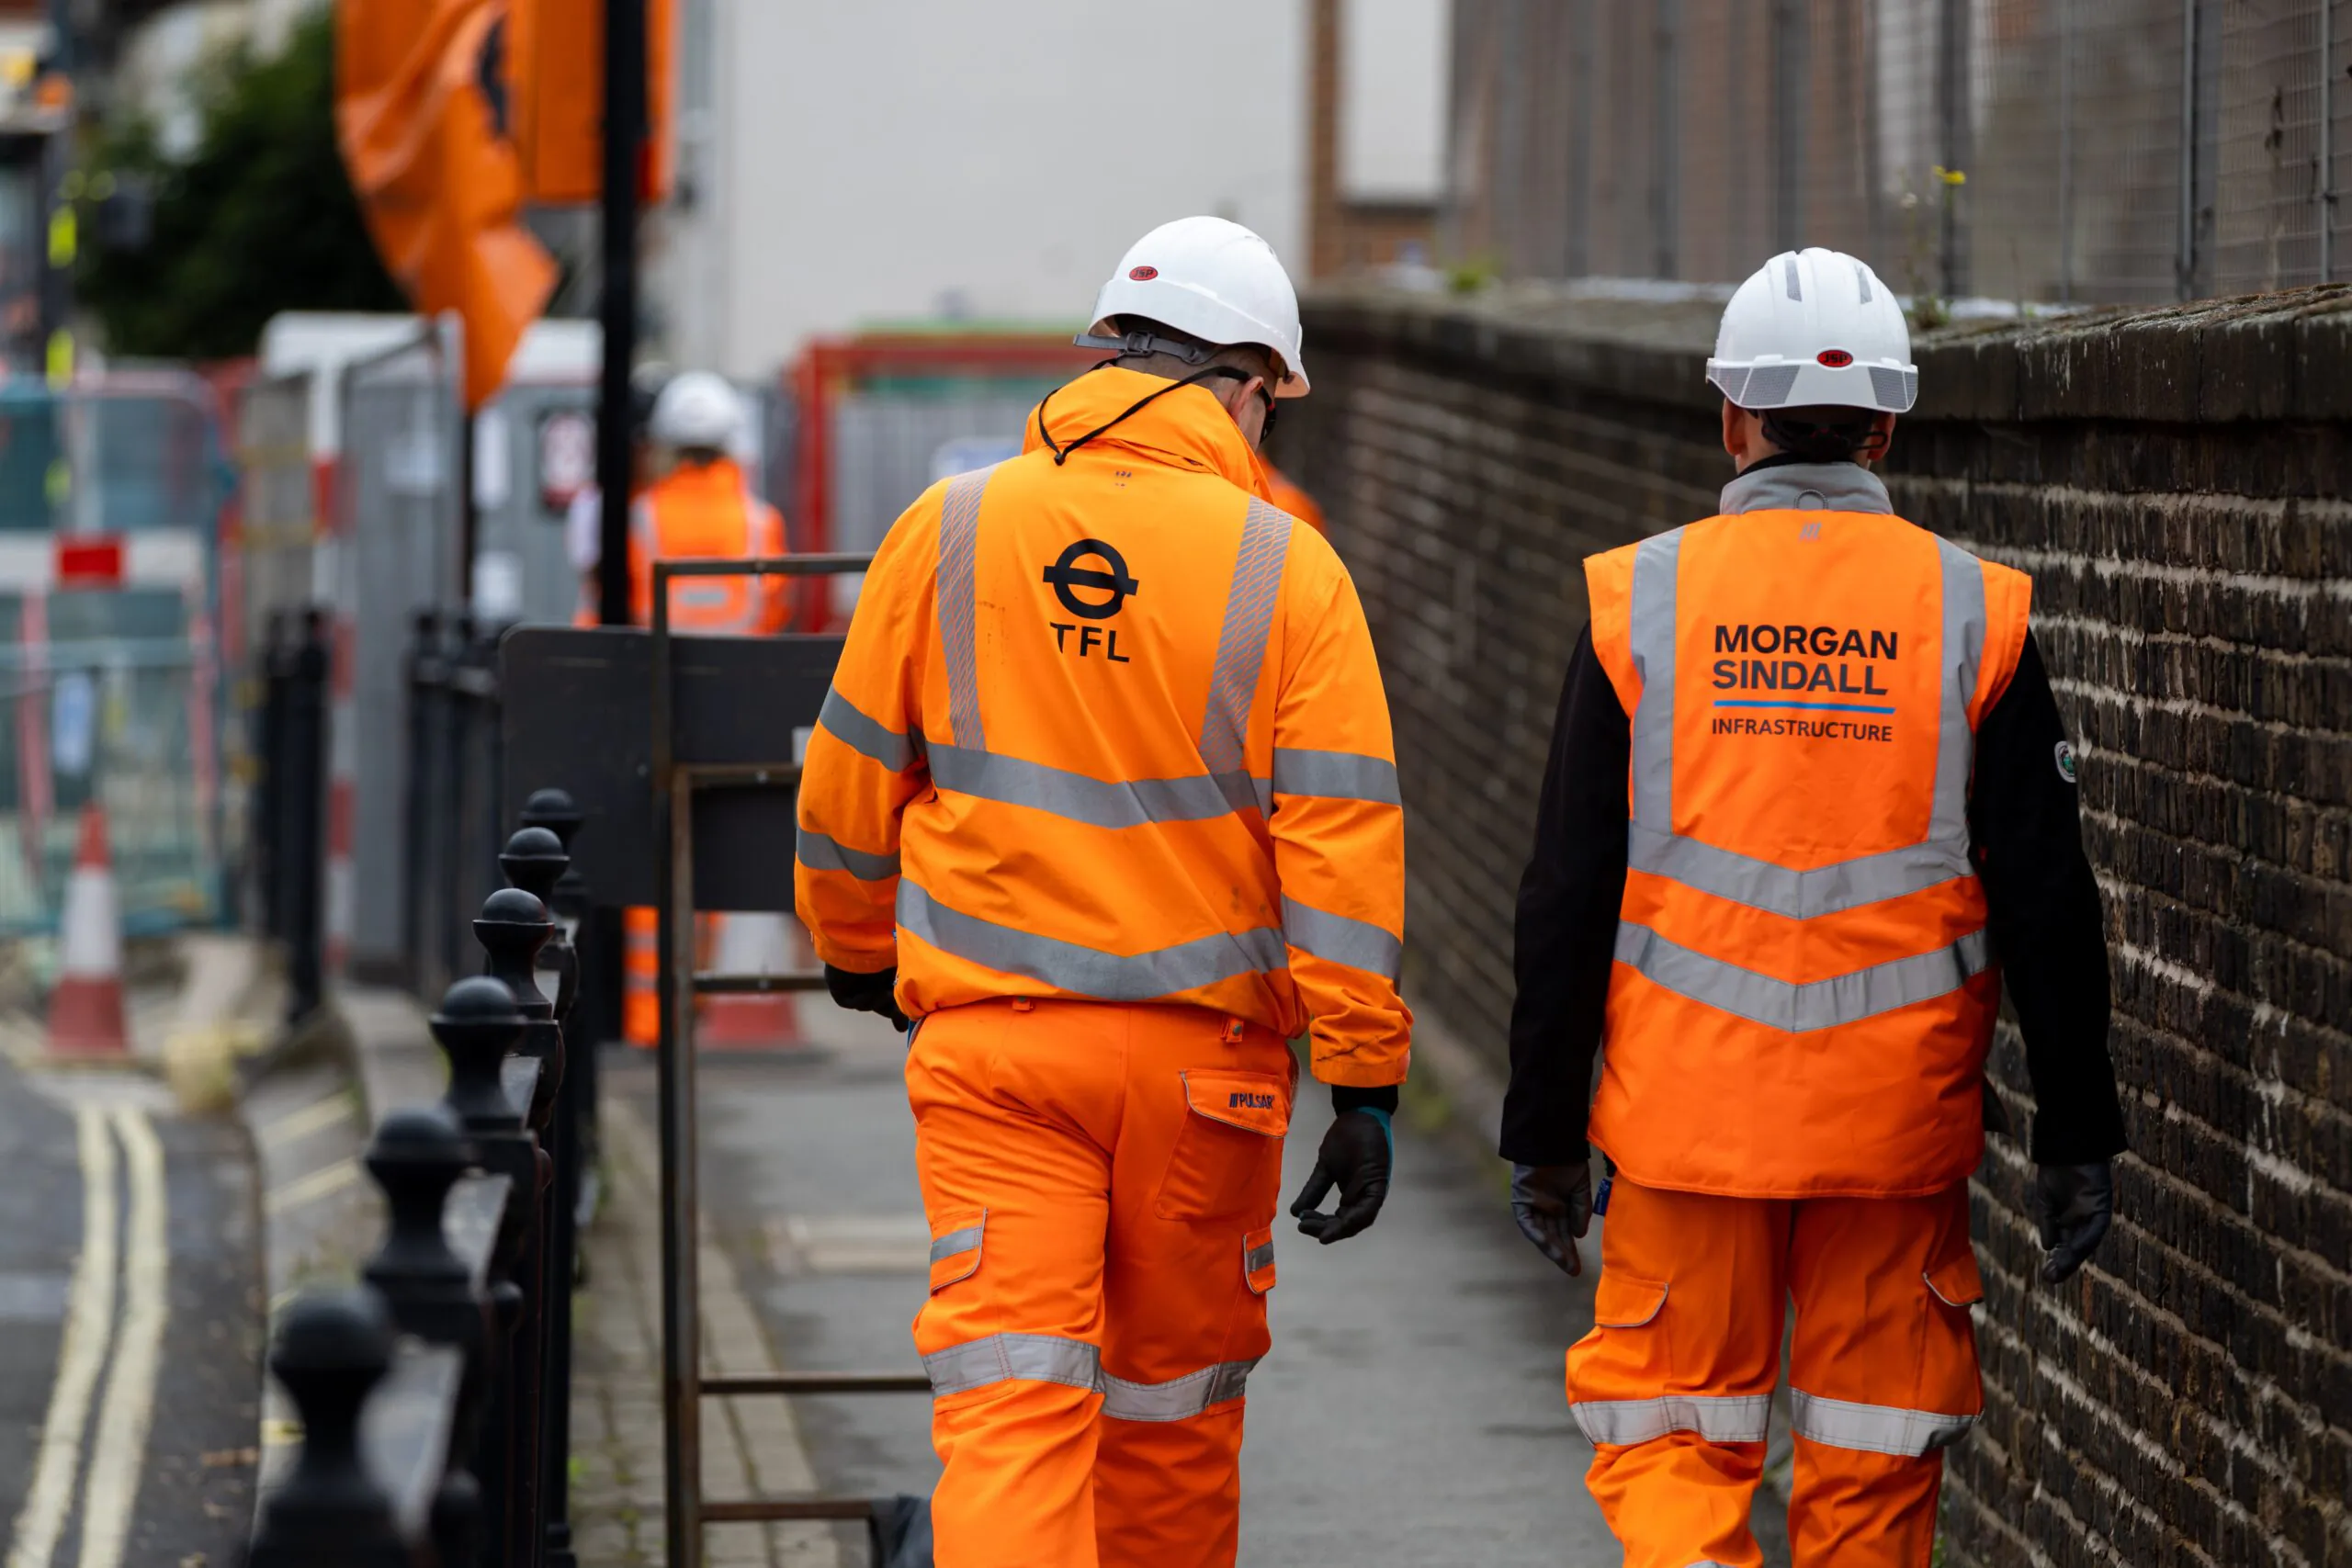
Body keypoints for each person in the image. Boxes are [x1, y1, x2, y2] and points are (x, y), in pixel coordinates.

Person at [795, 215, 1411, 1568]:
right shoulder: (1288, 566)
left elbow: (846, 786)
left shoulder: (950, 525)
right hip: (1210, 1075)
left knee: (1014, 1398)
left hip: (999, 1053)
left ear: (1108, 357)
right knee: (1170, 1418)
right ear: (1249, 384)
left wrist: (853, 951)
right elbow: (1342, 846)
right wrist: (1363, 1083)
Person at [1501, 247, 2127, 1567]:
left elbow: (1567, 890)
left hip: (1683, 1127)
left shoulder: (1640, 603)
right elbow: (2048, 898)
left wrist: (1547, 1131)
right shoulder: (1974, 611)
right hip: (1892, 1136)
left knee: (1674, 1442)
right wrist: (2076, 1128)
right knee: (1872, 1452)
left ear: (1731, 416)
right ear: (1889, 424)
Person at [590, 369, 793, 1046]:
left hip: (653, 714)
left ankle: (649, 1020)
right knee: (719, 861)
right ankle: (706, 999)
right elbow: (776, 616)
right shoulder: (763, 525)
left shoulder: (640, 519)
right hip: (736, 724)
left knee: (650, 867)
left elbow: (604, 617)